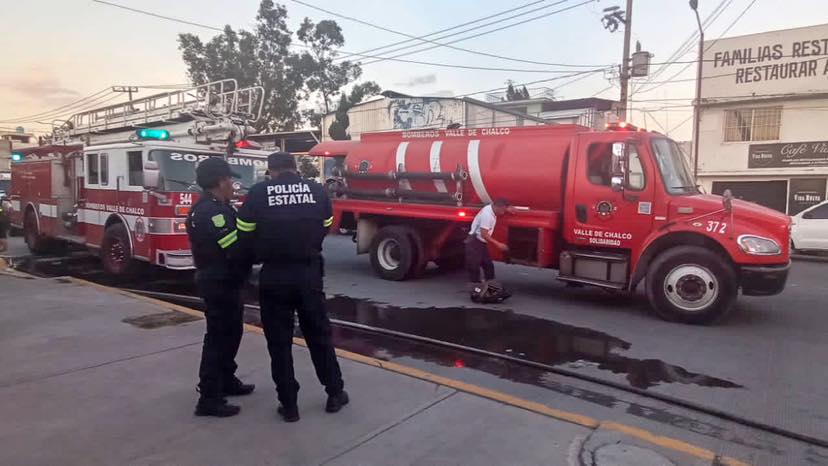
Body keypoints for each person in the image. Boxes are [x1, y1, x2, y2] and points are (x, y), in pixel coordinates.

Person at [237, 151, 347, 423]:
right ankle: (334, 393)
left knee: (279, 343)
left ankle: (289, 405)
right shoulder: (316, 191)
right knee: (319, 336)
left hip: (274, 274)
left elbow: (244, 232)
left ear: (271, 171)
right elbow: (326, 224)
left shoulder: (259, 193)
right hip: (308, 272)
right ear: (295, 168)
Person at [186, 157, 255, 418]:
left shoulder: (218, 206)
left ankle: (226, 379)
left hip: (226, 281)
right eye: (229, 179)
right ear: (219, 182)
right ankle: (209, 396)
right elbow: (234, 248)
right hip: (219, 283)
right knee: (218, 338)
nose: (232, 184)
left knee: (231, 333)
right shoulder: (212, 212)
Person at [465, 199, 510, 301]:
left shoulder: (492, 208)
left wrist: (509, 209)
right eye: (503, 210)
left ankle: (492, 291)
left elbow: (501, 206)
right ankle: (475, 294)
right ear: (497, 207)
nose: (503, 212)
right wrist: (498, 244)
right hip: (474, 242)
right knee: (474, 269)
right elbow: (484, 233)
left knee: (488, 266)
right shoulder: (487, 215)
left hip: (481, 243)